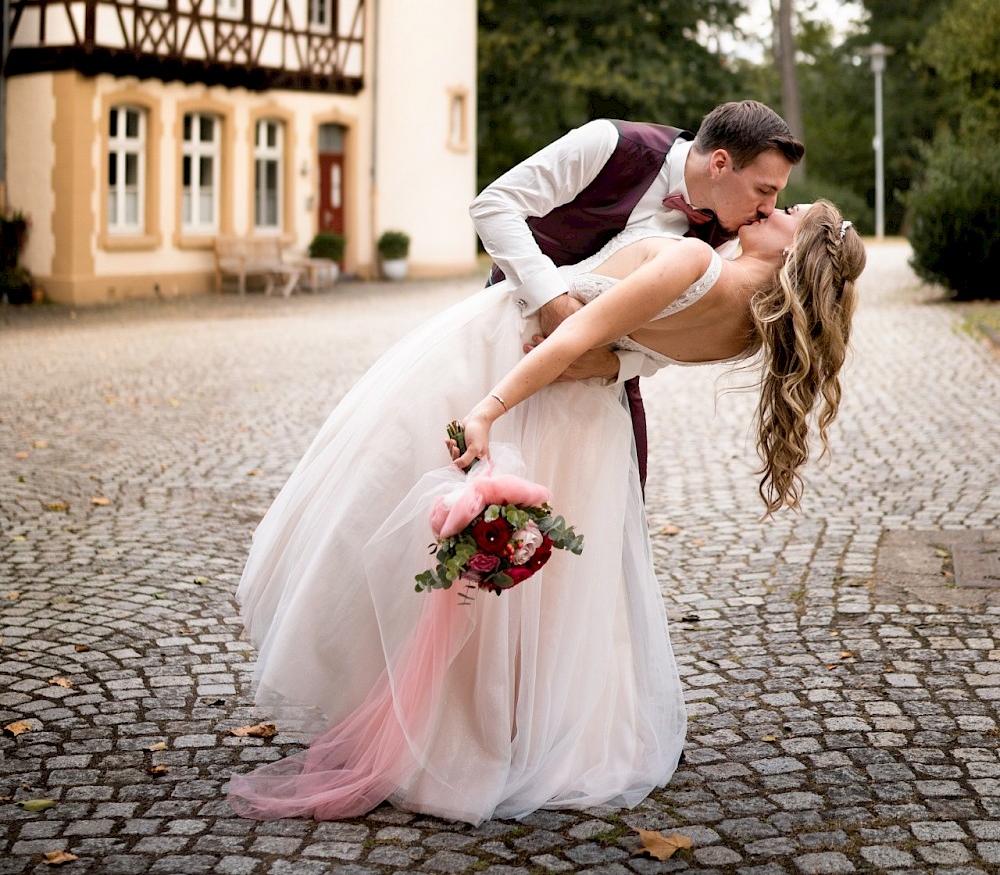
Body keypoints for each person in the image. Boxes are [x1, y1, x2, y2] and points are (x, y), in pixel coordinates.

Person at [229, 200, 864, 828]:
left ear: (795, 248)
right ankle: (511, 724)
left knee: (391, 515)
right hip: (589, 428)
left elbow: (574, 337)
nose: (776, 205)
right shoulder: (752, 323)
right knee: (551, 593)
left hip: (516, 373)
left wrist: (487, 409)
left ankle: (443, 721)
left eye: (794, 210)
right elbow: (639, 350)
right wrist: (611, 362)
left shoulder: (698, 259)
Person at [472, 101, 805, 487]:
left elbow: (673, 328)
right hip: (509, 343)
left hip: (596, 390)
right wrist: (551, 300)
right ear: (719, 164)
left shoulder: (729, 235)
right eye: (763, 190)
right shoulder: (609, 144)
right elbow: (494, 205)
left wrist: (613, 367)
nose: (768, 209)